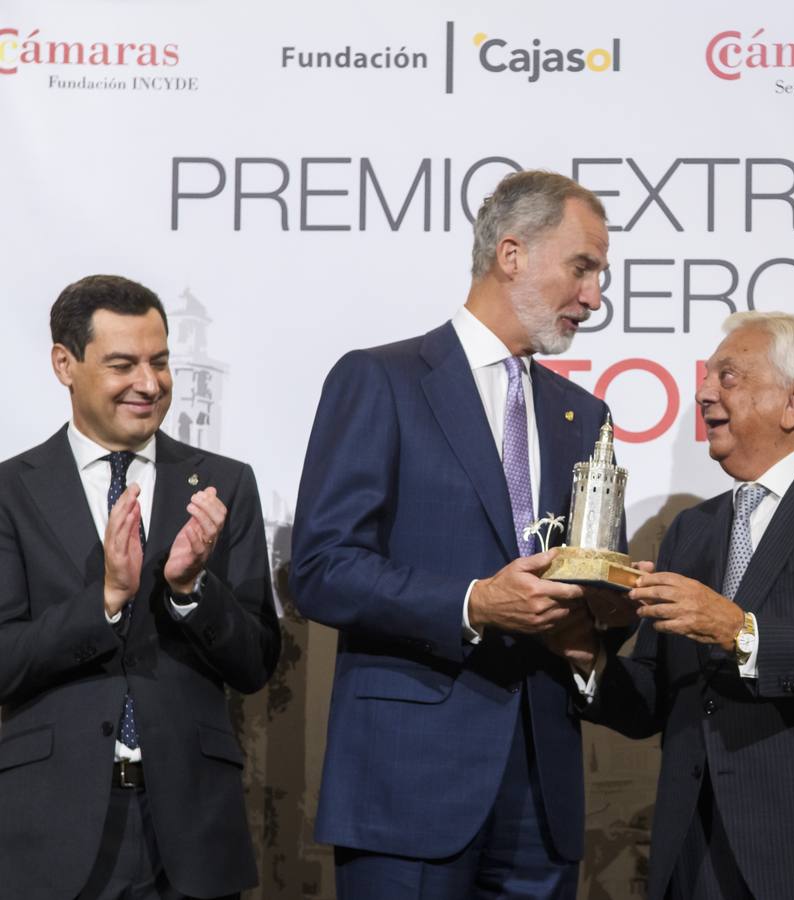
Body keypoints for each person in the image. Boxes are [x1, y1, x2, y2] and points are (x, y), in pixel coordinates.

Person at [292, 170, 620, 899]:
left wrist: (599, 629)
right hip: (409, 787)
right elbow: (321, 566)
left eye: (599, 274)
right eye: (583, 267)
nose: (595, 296)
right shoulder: (382, 380)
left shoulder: (582, 417)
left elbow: (591, 580)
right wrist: (474, 602)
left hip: (544, 794)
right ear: (512, 254)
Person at [559, 311, 794, 899]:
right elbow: (651, 699)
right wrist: (585, 655)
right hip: (701, 847)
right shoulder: (692, 530)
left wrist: (738, 629)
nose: (704, 392)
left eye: (728, 377)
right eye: (707, 377)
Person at [0, 274, 281, 900]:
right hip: (48, 832)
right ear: (64, 364)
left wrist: (189, 590)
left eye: (159, 362)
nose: (149, 384)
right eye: (123, 364)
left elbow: (257, 662)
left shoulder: (224, 485)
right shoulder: (10, 492)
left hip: (192, 830)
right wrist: (104, 601)